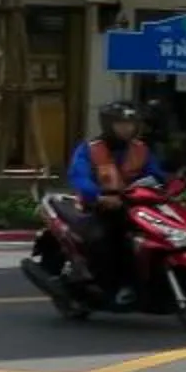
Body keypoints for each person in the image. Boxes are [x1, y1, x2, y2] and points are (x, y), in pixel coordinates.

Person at [67, 100, 166, 305]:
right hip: (97, 209)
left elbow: (156, 175)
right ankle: (109, 286)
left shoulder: (141, 149)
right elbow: (78, 177)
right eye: (120, 124)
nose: (126, 128)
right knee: (105, 240)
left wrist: (170, 183)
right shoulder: (89, 149)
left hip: (135, 207)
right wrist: (98, 196)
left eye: (130, 124)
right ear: (108, 125)